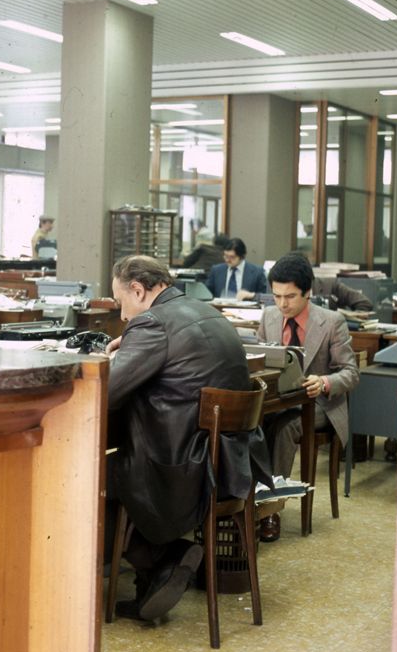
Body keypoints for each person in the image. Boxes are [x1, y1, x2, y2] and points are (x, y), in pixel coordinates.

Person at [104, 254, 272, 622]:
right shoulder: (208, 312)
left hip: (180, 470)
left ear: (138, 289)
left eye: (122, 303)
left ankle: (162, 558)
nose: (122, 316)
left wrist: (114, 357)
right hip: (228, 466)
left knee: (89, 477)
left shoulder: (150, 324)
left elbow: (107, 394)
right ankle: (155, 572)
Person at [259, 251, 359, 540]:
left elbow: (351, 373)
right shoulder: (268, 317)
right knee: (248, 425)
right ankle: (249, 500)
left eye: (289, 297)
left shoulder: (332, 321)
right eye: (276, 296)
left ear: (308, 292)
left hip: (321, 405)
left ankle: (271, 510)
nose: (282, 304)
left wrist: (325, 381)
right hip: (279, 400)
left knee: (284, 427)